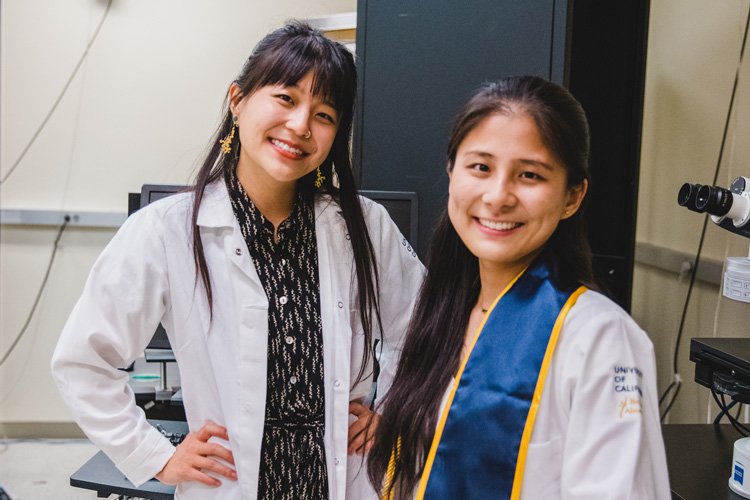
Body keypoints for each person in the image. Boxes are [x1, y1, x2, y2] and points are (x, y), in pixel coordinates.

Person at [51, 22, 424, 500]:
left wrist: (392, 409)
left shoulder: (364, 226)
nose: (301, 126)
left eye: (325, 113)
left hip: (339, 480)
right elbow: (83, 359)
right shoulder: (166, 229)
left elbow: (426, 329)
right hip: (228, 485)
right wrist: (155, 456)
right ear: (238, 99)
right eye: (286, 98)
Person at [366, 76, 671, 499]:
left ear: (572, 197)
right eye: (481, 167)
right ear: (451, 172)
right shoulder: (443, 310)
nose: (498, 196)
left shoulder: (599, 338)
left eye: (529, 175)